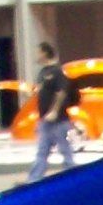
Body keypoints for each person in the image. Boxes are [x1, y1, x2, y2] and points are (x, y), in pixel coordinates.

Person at [27, 42, 79, 180]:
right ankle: (33, 180)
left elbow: (61, 92)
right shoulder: (42, 73)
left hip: (59, 121)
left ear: (44, 53)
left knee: (65, 151)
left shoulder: (57, 71)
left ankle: (74, 178)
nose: (36, 55)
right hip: (45, 121)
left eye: (38, 52)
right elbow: (42, 91)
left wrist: (55, 110)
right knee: (42, 152)